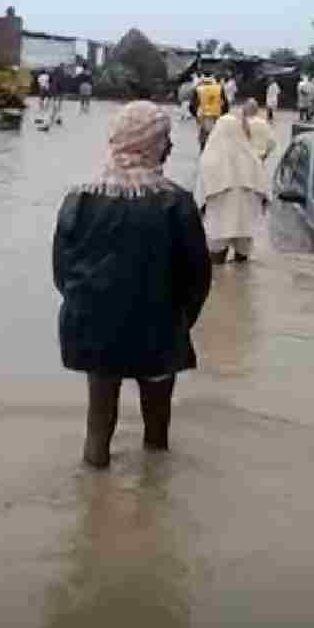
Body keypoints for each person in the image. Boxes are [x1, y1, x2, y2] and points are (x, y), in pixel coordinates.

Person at [52, 101, 212, 469]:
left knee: (97, 430)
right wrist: (181, 321)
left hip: (94, 326)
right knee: (157, 438)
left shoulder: (78, 198)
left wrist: (88, 309)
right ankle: (154, 504)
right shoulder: (176, 201)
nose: (170, 146)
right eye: (165, 138)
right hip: (158, 327)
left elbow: (62, 271)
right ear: (152, 144)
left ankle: (94, 503)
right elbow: (197, 275)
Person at [198, 109, 270, 265]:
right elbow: (264, 191)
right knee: (242, 263)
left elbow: (200, 194)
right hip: (245, 223)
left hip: (219, 223)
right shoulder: (252, 158)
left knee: (216, 264)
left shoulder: (210, 158)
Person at [189, 73, 229, 153]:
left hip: (203, 115)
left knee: (204, 133)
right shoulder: (219, 88)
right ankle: (215, 149)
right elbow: (225, 103)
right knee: (215, 133)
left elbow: (192, 105)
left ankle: (203, 149)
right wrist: (223, 113)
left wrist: (195, 114)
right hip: (216, 114)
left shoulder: (198, 89)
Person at [243, 98, 277, 163]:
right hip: (260, 158)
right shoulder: (264, 123)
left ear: (246, 110)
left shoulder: (243, 124)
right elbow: (272, 143)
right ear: (257, 110)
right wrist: (264, 156)